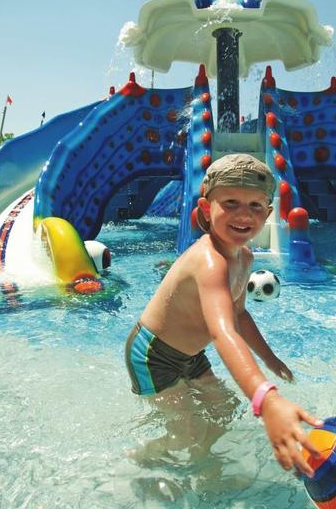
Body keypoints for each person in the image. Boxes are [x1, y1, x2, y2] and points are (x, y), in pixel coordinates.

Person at [125, 153, 322, 477]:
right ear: (206, 209)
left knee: (224, 408)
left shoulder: (243, 257)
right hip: (153, 355)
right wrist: (266, 399)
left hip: (190, 354)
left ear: (268, 214)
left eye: (256, 206)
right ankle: (141, 459)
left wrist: (269, 359)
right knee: (186, 431)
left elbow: (239, 315)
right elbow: (223, 332)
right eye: (230, 202)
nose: (244, 214)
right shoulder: (210, 261)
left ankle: (202, 467)